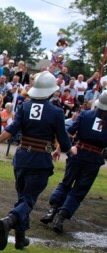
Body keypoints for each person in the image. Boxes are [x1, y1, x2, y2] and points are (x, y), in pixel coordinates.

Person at [0, 71, 72, 251]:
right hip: (40, 160)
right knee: (28, 200)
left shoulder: (24, 107)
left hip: (21, 157)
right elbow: (63, 138)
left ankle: (20, 239)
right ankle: (9, 220)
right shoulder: (56, 112)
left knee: (22, 198)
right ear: (50, 91)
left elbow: (12, 129)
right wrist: (69, 149)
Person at [40, 92, 107, 233]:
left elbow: (69, 132)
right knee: (79, 190)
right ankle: (61, 217)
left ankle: (52, 210)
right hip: (94, 159)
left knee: (66, 183)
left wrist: (59, 149)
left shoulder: (85, 115)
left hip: (77, 153)